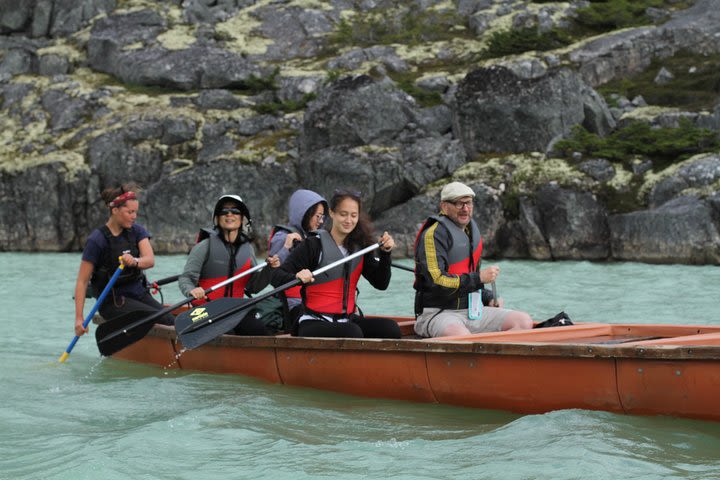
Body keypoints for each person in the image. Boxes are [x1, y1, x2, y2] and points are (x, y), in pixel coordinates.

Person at [271, 189, 402, 339]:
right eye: (343, 214)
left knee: (391, 329)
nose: (348, 220)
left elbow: (381, 283)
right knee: (352, 332)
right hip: (313, 321)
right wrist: (296, 277)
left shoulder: (361, 247)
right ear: (332, 213)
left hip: (348, 319)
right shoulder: (313, 245)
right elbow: (276, 277)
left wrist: (386, 254)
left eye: (353, 215)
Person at [413, 181, 533, 337]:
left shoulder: (470, 232)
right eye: (459, 204)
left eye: (468, 203)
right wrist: (479, 278)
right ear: (444, 207)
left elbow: (472, 282)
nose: (465, 209)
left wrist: (488, 297)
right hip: (438, 313)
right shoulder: (433, 235)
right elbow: (437, 281)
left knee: (523, 321)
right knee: (461, 336)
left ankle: (494, 357)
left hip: (471, 311)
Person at [73, 183, 173, 337]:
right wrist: (79, 319)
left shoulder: (137, 231)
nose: (134, 216)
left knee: (169, 318)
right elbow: (82, 281)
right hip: (113, 301)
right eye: (130, 212)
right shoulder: (97, 240)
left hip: (139, 293)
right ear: (115, 210)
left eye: (136, 212)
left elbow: (149, 260)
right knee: (157, 318)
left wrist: (134, 261)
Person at [178, 194, 280, 336]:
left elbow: (253, 287)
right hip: (205, 310)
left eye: (235, 211)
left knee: (260, 331)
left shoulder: (248, 249)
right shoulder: (204, 246)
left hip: (234, 310)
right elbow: (186, 278)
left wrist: (269, 269)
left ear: (242, 218)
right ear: (217, 218)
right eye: (224, 211)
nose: (229, 215)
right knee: (228, 333)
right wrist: (191, 290)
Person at [267, 189, 328, 321]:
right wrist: (286, 248)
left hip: (310, 300)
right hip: (289, 304)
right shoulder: (282, 237)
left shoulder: (312, 239)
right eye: (318, 216)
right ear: (305, 214)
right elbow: (272, 275)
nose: (321, 221)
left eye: (322, 217)